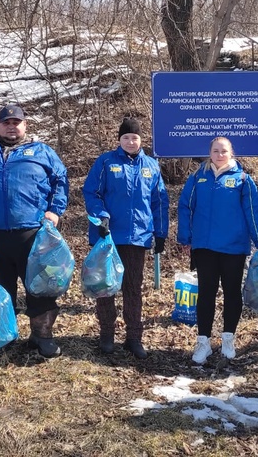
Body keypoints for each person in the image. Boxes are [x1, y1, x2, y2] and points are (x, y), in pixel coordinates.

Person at [0, 104, 69, 358]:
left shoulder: (42, 152)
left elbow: (61, 181)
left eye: (16, 122)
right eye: (6, 122)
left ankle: (42, 336)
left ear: (25, 125)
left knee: (41, 289)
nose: (12, 126)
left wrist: (55, 210)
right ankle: (3, 337)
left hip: (33, 235)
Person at [82, 117, 169, 359]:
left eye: (135, 137)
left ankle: (134, 338)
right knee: (106, 287)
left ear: (142, 140)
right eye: (126, 137)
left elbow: (159, 201)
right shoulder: (106, 162)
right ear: (119, 140)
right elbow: (91, 192)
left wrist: (160, 233)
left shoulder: (151, 166)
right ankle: (107, 335)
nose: (131, 141)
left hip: (137, 237)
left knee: (133, 288)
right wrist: (101, 217)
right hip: (107, 236)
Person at [177, 137, 258, 364]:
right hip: (205, 247)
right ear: (209, 153)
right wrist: (185, 237)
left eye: (224, 151)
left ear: (231, 153)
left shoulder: (242, 179)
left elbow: (252, 211)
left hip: (234, 247)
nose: (219, 154)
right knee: (206, 294)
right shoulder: (198, 177)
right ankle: (203, 342)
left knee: (232, 293)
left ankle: (228, 338)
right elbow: (184, 206)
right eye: (215, 150)